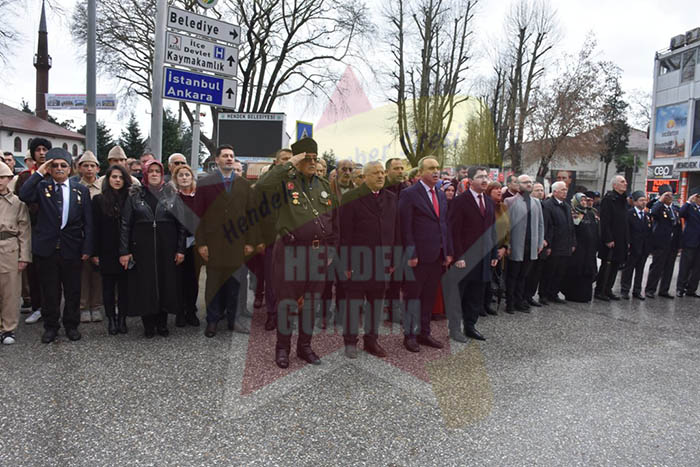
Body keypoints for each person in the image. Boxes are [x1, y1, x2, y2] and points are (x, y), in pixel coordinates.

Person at [255, 138, 338, 368]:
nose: (312, 162)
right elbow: (261, 187)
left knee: (311, 303)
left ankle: (305, 347)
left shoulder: (323, 185)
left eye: (315, 158)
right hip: (292, 251)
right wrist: (290, 163)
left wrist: (331, 249)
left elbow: (333, 218)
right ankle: (282, 348)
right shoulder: (284, 181)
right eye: (306, 158)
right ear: (297, 159)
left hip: (318, 253)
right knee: (287, 303)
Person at [19, 147, 93, 343]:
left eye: (63, 165)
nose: (59, 168)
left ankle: (71, 325)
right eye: (55, 165)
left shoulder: (81, 190)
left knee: (73, 291)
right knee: (50, 291)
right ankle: (51, 326)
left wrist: (87, 248)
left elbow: (88, 222)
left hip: (72, 248)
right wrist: (39, 172)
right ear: (49, 168)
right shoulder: (42, 187)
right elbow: (24, 194)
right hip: (47, 249)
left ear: (70, 169)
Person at [339, 161, 399, 358]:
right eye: (375, 173)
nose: (380, 176)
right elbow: (344, 233)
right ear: (365, 177)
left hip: (382, 261)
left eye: (382, 172)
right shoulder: (351, 198)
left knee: (376, 304)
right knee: (353, 304)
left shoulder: (391, 198)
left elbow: (395, 230)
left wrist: (393, 259)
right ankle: (350, 341)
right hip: (358, 261)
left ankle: (371, 341)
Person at [119, 159, 185, 338]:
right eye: (151, 171)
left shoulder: (172, 195)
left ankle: (162, 323)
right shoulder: (135, 196)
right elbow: (125, 224)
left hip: (167, 247)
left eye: (157, 171)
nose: (154, 174)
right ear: (145, 174)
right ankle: (148, 324)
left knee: (165, 283)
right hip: (142, 249)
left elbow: (181, 225)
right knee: (145, 285)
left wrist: (180, 249)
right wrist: (124, 251)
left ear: (162, 174)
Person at [194, 145, 254, 338]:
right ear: (217, 159)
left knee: (234, 284)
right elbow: (198, 216)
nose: (229, 158)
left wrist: (250, 242)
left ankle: (233, 319)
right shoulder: (205, 183)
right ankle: (212, 321)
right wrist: (201, 243)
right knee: (213, 283)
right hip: (214, 243)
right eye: (225, 156)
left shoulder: (244, 184)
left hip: (237, 243)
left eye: (232, 156)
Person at [400, 156, 452, 350]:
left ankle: (424, 333)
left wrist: (447, 251)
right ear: (420, 172)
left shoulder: (440, 194)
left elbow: (444, 224)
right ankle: (409, 335)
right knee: (413, 296)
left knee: (429, 297)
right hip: (418, 257)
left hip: (437, 255)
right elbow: (405, 227)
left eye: (437, 167)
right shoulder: (409, 194)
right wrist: (411, 253)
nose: (436, 171)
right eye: (431, 168)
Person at [445, 166, 494, 342]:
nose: (484, 180)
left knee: (476, 294)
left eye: (486, 176)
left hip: (483, 256)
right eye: (480, 177)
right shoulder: (460, 201)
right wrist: (458, 256)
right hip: (464, 257)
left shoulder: (488, 201)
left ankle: (470, 326)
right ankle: (454, 328)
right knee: (459, 294)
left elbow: (492, 229)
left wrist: (493, 254)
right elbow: (454, 231)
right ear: (471, 181)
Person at [92, 165, 132, 335]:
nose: (117, 180)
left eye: (121, 177)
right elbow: (94, 228)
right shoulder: (98, 200)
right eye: (114, 177)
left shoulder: (130, 199)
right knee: (108, 288)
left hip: (126, 251)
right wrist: (94, 252)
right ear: (108, 179)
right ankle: (111, 320)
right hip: (106, 250)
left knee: (125, 288)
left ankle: (122, 318)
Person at [15, 137, 51, 325]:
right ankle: (37, 307)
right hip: (32, 227)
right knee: (34, 271)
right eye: (38, 150)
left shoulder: (56, 173)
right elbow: (22, 199)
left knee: (51, 273)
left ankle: (52, 308)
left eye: (45, 149)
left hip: (52, 229)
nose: (42, 153)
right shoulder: (25, 177)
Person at [256, 148, 292, 331]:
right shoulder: (268, 182)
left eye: (291, 159)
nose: (288, 162)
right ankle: (272, 314)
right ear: (276, 162)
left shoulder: (296, 181)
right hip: (271, 238)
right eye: (284, 159)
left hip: (293, 240)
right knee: (271, 280)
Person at [0, 161, 31, 345]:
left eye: (3, 177)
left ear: (10, 178)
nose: (0, 181)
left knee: (10, 292)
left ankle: (8, 328)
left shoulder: (17, 203)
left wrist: (24, 257)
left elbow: (24, 231)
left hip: (10, 248)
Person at [504, 175, 545, 312]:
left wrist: (539, 243)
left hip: (531, 245)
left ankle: (519, 301)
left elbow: (540, 224)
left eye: (530, 182)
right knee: (513, 275)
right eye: (525, 182)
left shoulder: (536, 202)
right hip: (516, 244)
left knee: (524, 275)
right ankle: (510, 303)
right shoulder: (510, 201)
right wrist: (507, 244)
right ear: (518, 184)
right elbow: (506, 225)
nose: (529, 184)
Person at [172, 164, 201, 327]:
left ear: (192, 177)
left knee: (193, 279)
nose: (184, 178)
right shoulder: (173, 198)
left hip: (196, 243)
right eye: (181, 175)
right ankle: (180, 311)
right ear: (176, 179)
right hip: (179, 244)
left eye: (187, 175)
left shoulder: (199, 197)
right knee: (179, 279)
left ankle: (191, 310)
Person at [77, 151, 103, 323]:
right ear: (79, 168)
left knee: (97, 272)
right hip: (80, 235)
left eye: (92, 166)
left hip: (99, 234)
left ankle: (96, 305)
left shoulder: (103, 188)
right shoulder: (75, 187)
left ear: (98, 168)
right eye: (85, 165)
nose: (89, 169)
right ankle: (83, 306)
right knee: (82, 273)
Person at [540, 181, 576, 304]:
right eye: (562, 190)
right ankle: (544, 294)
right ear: (555, 192)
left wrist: (573, 243)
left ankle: (553, 293)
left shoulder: (566, 206)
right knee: (549, 271)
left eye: (566, 190)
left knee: (560, 272)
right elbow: (546, 226)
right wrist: (548, 245)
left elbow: (571, 226)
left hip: (565, 245)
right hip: (554, 245)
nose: (565, 192)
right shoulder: (548, 205)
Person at [594, 176, 630, 301]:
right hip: (611, 240)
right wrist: (608, 239)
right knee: (607, 266)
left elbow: (625, 222)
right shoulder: (609, 199)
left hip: (620, 239)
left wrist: (627, 240)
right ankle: (600, 290)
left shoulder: (623, 199)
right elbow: (605, 221)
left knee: (615, 266)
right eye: (622, 182)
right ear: (615, 185)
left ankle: (608, 289)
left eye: (625, 181)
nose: (625, 183)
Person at [645, 185, 681, 299]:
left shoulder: (675, 209)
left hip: (672, 243)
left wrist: (679, 244)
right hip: (661, 242)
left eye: (671, 195)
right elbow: (652, 213)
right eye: (667, 195)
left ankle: (664, 290)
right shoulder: (659, 207)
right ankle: (650, 289)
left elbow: (678, 227)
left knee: (669, 268)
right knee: (657, 267)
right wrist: (660, 200)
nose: (670, 197)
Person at [383, 157, 408, 322]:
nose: (400, 171)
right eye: (396, 168)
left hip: (403, 238)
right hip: (385, 239)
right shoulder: (381, 189)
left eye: (401, 168)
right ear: (387, 171)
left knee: (398, 278)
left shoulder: (406, 189)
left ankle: (394, 309)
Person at [561, 193, 598, 302]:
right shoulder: (574, 213)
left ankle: (585, 295)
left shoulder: (590, 213)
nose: (584, 203)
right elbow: (572, 230)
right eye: (581, 200)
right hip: (578, 248)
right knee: (576, 270)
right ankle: (572, 294)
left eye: (585, 200)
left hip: (589, 249)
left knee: (587, 270)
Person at [619, 191, 651, 300]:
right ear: (635, 202)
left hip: (643, 247)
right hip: (633, 247)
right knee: (628, 269)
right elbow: (626, 231)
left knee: (640, 270)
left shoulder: (646, 215)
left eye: (645, 200)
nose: (644, 202)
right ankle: (625, 290)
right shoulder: (629, 214)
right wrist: (627, 244)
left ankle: (637, 290)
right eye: (641, 200)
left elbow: (649, 231)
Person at [484, 181, 509, 315]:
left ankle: (488, 304)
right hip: (486, 248)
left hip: (500, 250)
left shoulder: (503, 207)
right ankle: (479, 305)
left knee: (495, 278)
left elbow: (508, 229)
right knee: (484, 279)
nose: (499, 191)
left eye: (500, 188)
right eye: (496, 189)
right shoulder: (485, 206)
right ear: (489, 191)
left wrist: (505, 247)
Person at [676, 187, 700, 297]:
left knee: (697, 268)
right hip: (690, 241)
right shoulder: (690, 207)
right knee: (685, 266)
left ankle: (691, 289)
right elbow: (681, 213)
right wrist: (688, 201)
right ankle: (680, 288)